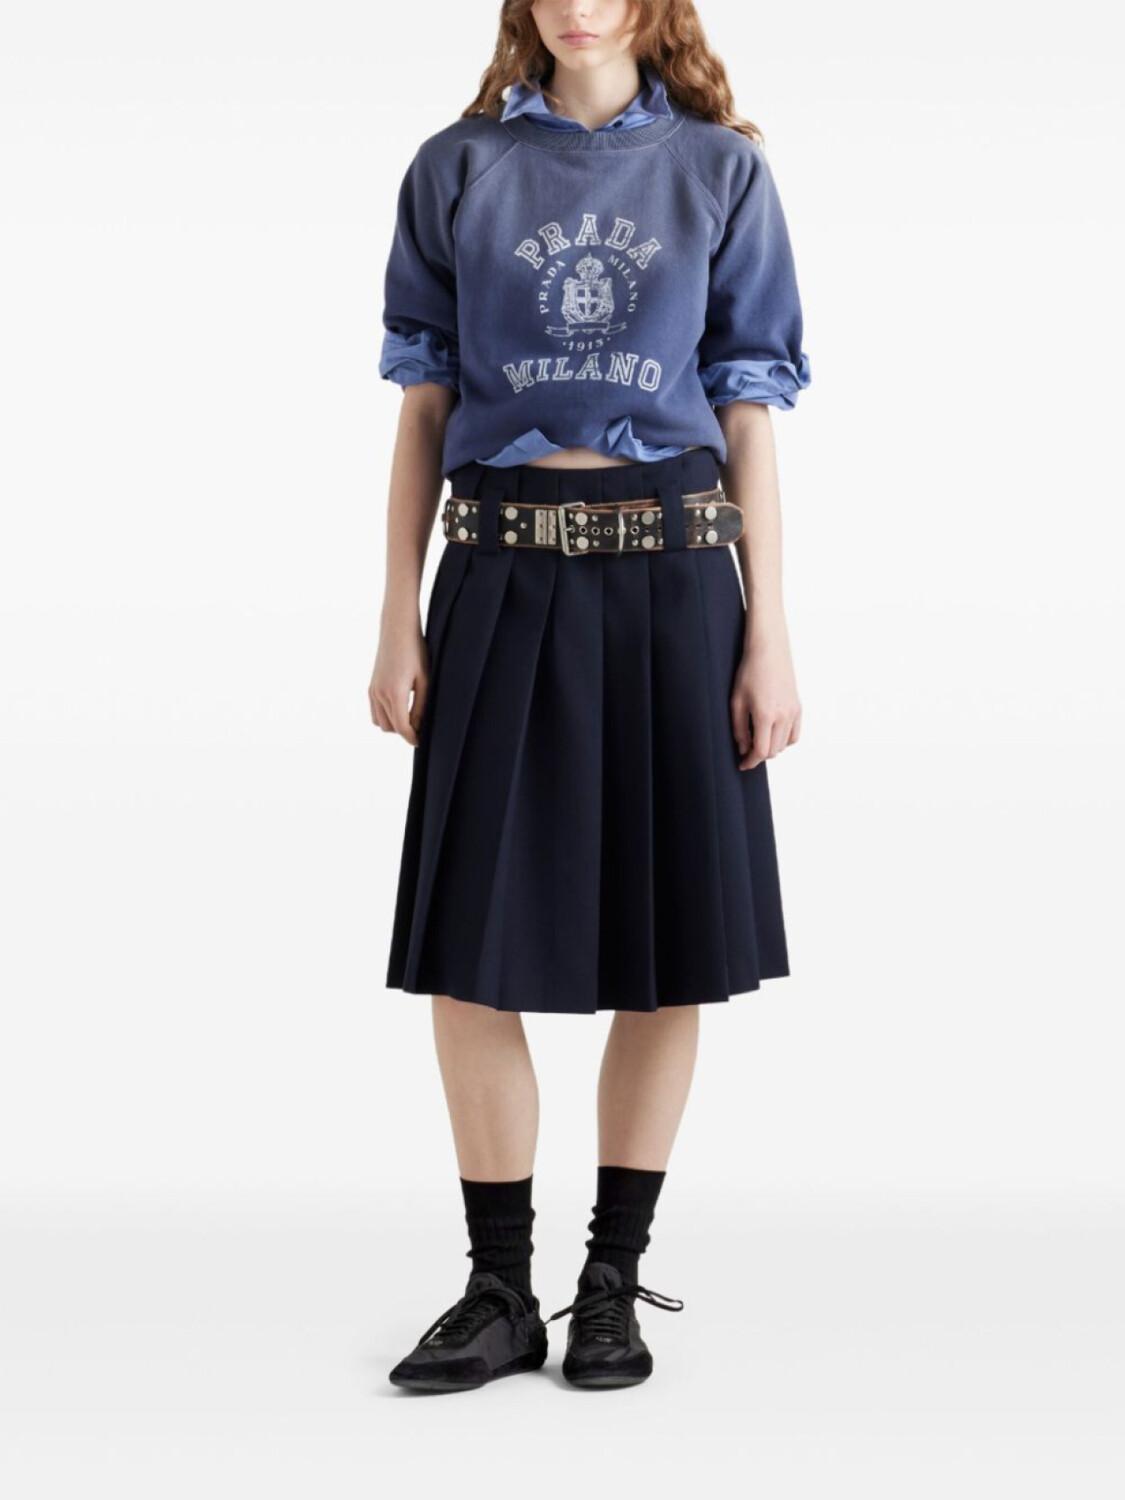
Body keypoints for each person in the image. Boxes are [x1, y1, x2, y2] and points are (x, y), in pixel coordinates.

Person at [368, 0, 810, 1393]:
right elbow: (424, 408)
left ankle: (609, 1281)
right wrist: (395, 615)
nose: (576, 4)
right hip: (497, 576)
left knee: (669, 940)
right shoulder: (457, 168)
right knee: (465, 941)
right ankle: (498, 1289)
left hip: (676, 581)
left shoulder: (721, 171)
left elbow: (745, 412)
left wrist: (770, 633)